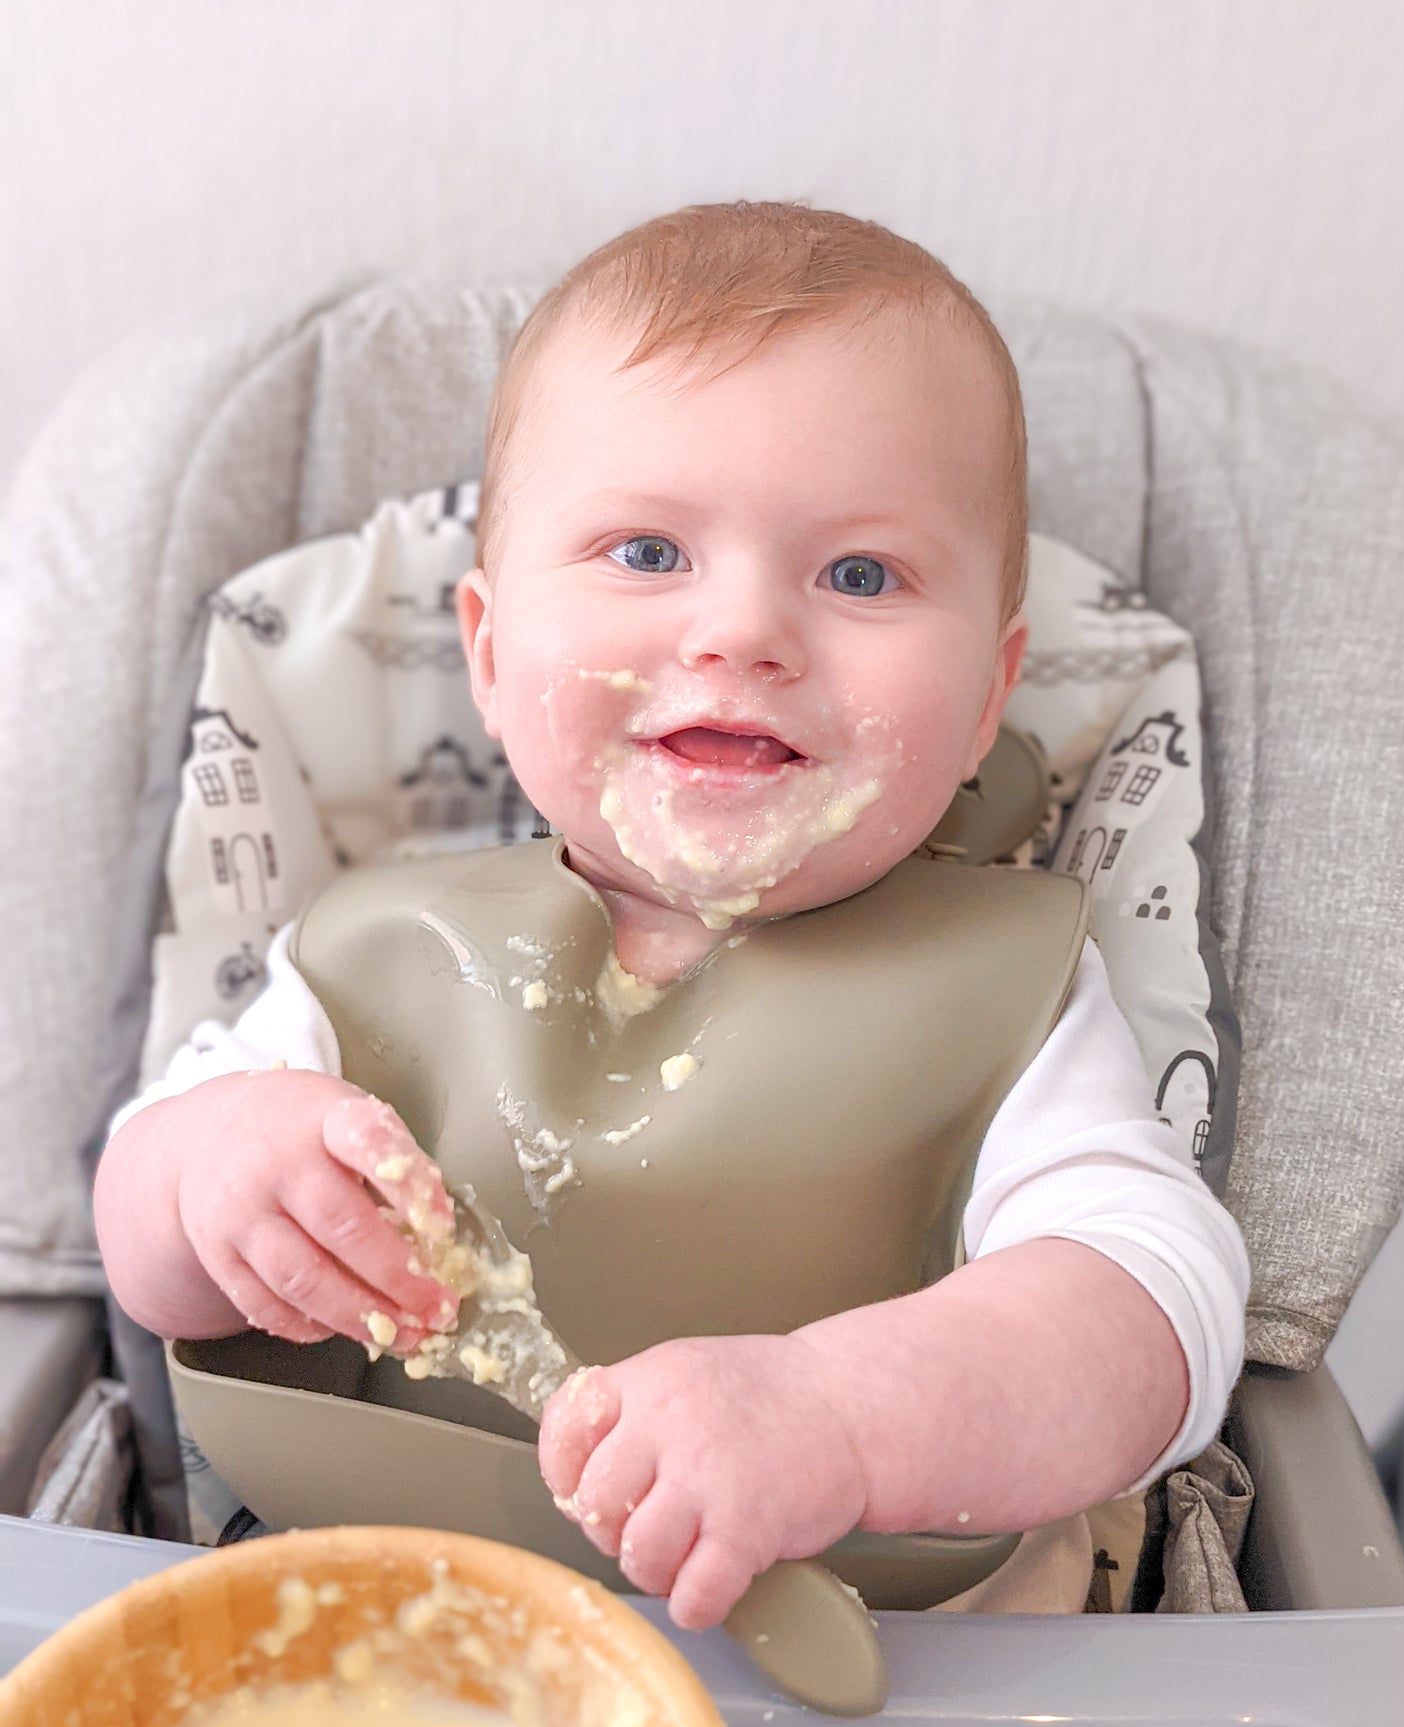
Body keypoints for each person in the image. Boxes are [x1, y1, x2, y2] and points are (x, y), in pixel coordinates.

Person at [94, 203, 1249, 1626]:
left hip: (894, 1722)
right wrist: (212, 1178)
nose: (741, 630)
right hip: (395, 1653)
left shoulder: (1000, 988)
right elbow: (144, 1258)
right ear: (490, 652)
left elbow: (1157, 1315)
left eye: (859, 575)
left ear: (985, 701)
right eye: (646, 553)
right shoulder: (376, 962)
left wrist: (844, 1418)